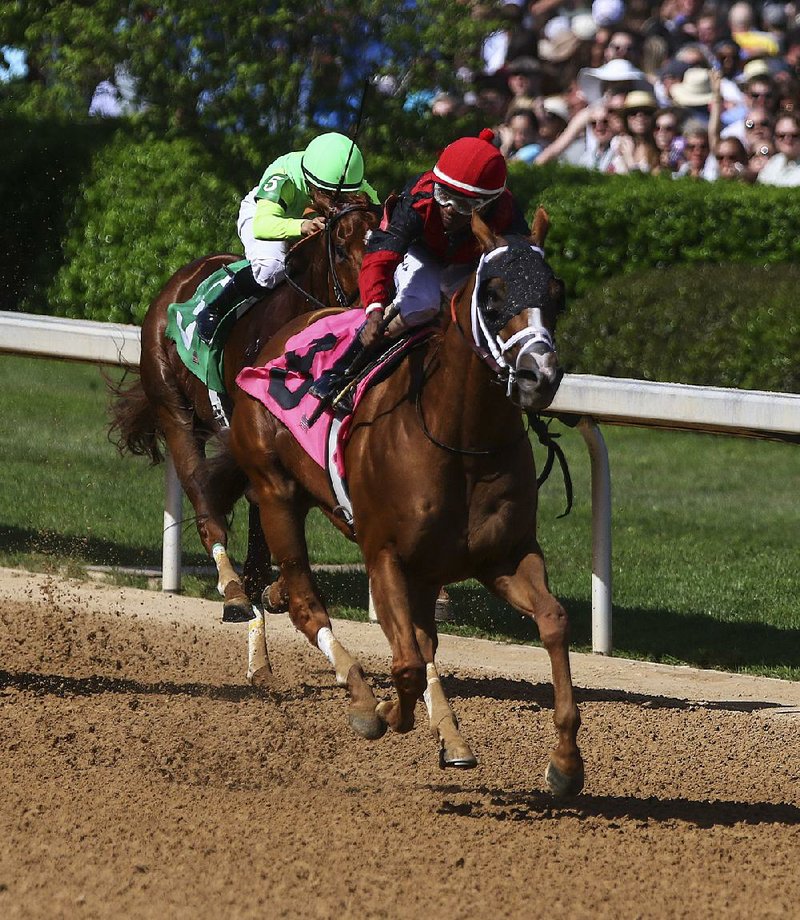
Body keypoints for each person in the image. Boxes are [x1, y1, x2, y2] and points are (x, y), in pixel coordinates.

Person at [309, 129, 529, 402]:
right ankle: (341, 372)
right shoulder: (419, 198)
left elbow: (522, 269)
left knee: (482, 311)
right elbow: (382, 256)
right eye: (443, 195)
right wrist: (375, 310)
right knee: (420, 304)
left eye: (461, 203)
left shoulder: (507, 215)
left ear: (487, 205)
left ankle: (520, 380)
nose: (447, 208)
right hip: (422, 251)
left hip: (468, 259)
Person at [195, 132, 380, 343]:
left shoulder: (353, 184)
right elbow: (262, 224)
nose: (335, 202)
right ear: (312, 184)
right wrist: (302, 225)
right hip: (266, 214)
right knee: (271, 268)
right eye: (329, 195)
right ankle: (216, 308)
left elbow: (380, 221)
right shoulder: (284, 177)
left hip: (307, 218)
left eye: (342, 197)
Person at [758, 113, 800, 184]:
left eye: (794, 135)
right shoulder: (773, 163)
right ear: (775, 138)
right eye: (781, 135)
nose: (787, 139)